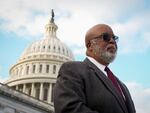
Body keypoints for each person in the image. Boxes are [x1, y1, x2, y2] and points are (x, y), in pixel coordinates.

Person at [54, 24, 136, 113]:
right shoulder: (72, 70)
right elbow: (69, 109)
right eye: (106, 37)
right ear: (90, 46)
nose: (112, 41)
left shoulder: (121, 85)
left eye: (114, 38)